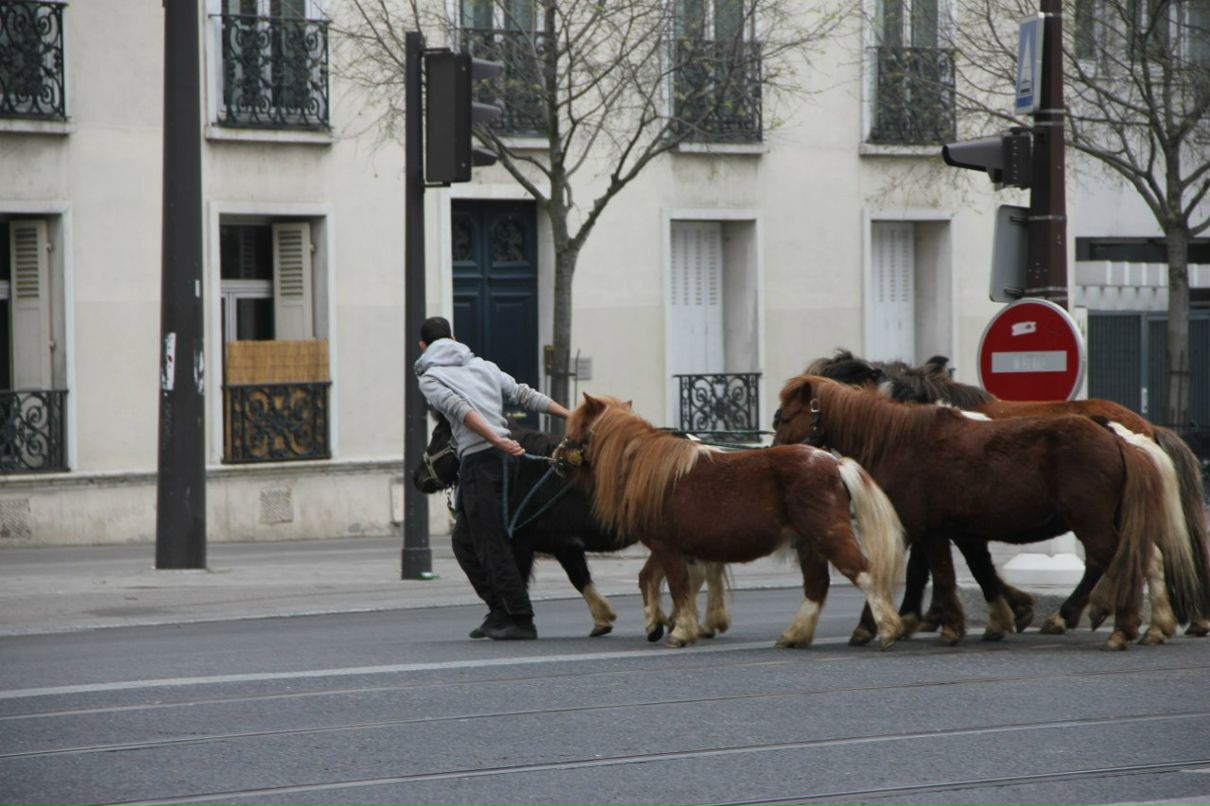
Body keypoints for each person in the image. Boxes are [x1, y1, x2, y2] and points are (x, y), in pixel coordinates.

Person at [414, 316, 571, 640]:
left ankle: (520, 618)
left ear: (422, 346)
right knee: (463, 542)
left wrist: (496, 438)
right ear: (455, 338)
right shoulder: (483, 366)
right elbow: (525, 395)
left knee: (490, 542)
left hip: (482, 460)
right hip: (495, 459)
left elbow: (459, 409)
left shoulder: (430, 377)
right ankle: (498, 611)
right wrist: (572, 414)